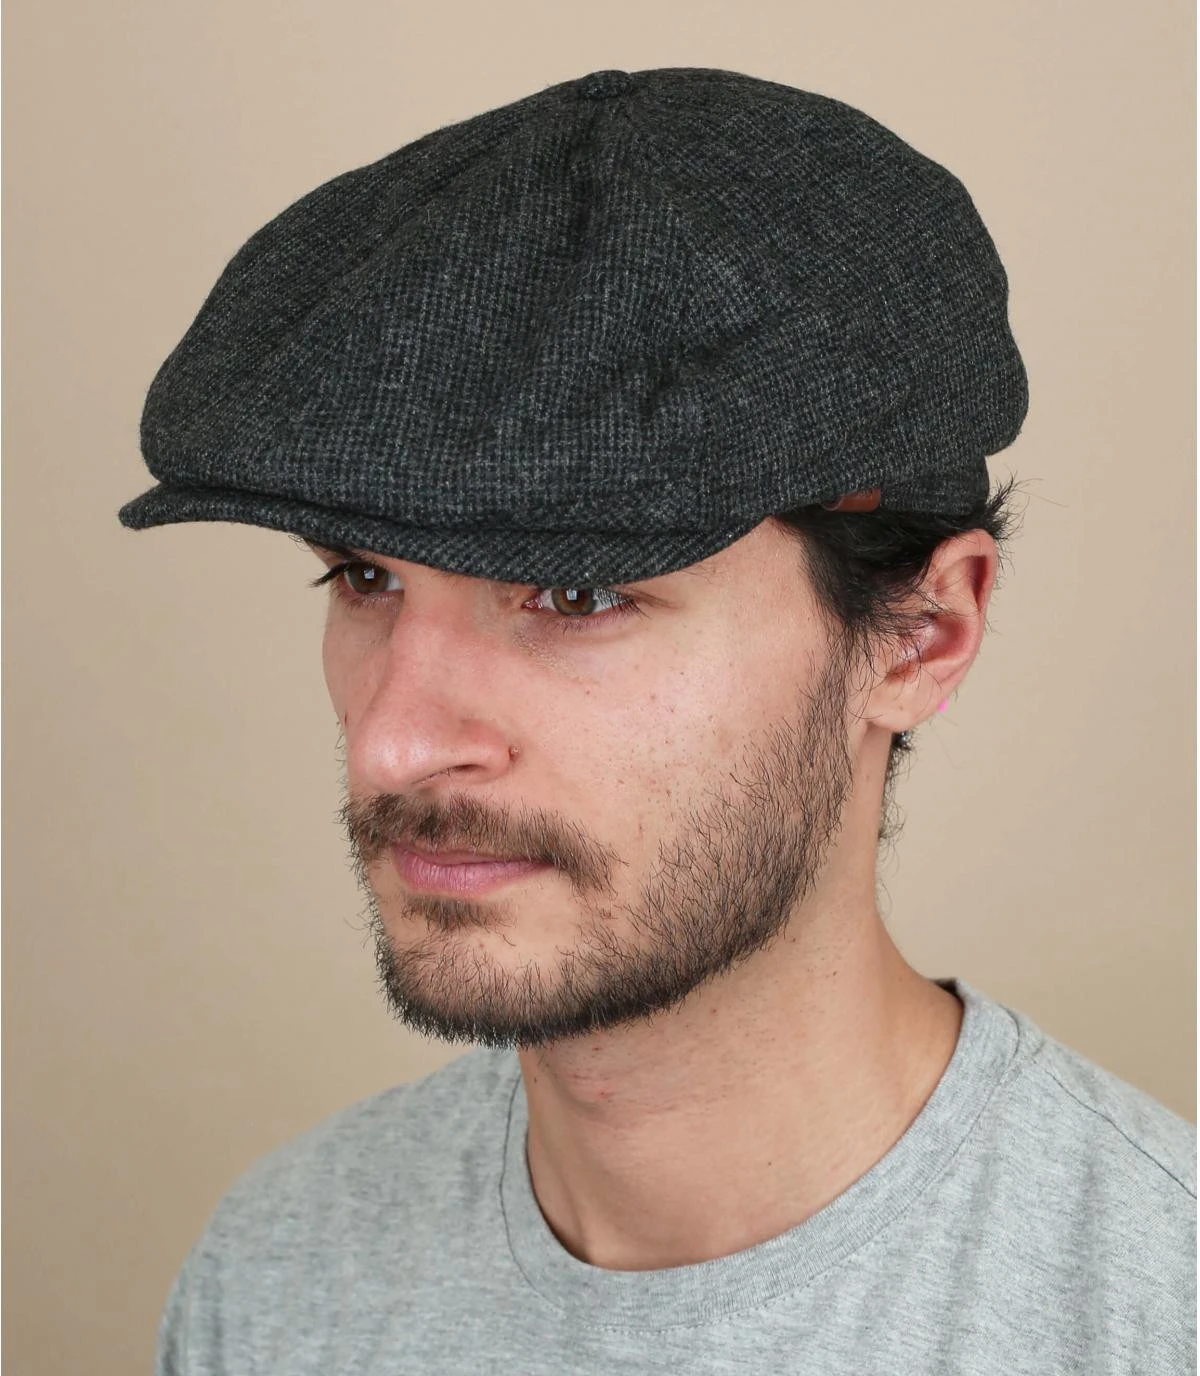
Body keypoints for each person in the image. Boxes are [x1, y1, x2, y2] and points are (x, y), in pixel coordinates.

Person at [120, 67, 1194, 1374]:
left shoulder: (1150, 1312)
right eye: (364, 578)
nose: (391, 744)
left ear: (922, 634)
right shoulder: (280, 1277)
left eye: (578, 592)